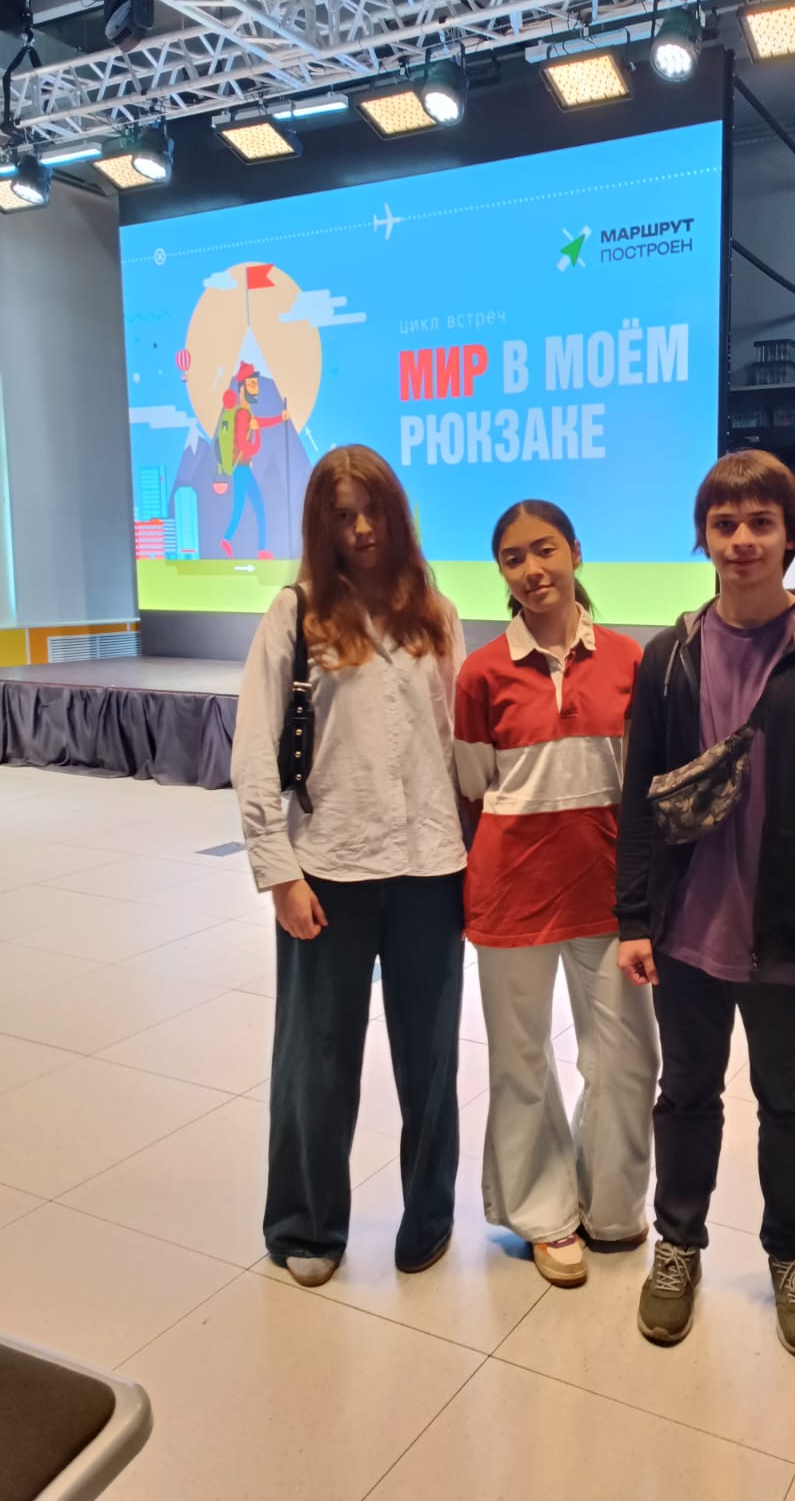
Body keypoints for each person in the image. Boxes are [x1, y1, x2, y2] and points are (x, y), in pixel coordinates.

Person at [615, 450, 795, 1355]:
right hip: (686, 930)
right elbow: (639, 794)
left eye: (760, 523)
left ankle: (793, 1258)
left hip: (787, 937)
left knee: (790, 1101)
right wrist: (634, 918)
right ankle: (677, 1245)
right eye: (724, 523)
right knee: (686, 1093)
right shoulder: (668, 659)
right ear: (704, 537)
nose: (741, 540)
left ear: (790, 536)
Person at [231, 444, 467, 1288]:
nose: (361, 529)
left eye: (373, 511)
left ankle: (429, 1214)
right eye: (342, 516)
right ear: (321, 526)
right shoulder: (294, 613)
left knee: (430, 1060)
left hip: (431, 865)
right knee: (316, 1057)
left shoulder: (435, 614)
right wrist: (279, 873)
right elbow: (253, 753)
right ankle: (306, 1223)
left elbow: (458, 744)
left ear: (397, 515)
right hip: (328, 866)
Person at [454, 500, 658, 1287]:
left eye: (545, 550)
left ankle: (611, 1205)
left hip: (609, 896)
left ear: (575, 551)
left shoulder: (629, 661)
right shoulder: (480, 673)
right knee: (521, 1061)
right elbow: (472, 788)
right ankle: (544, 1216)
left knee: (628, 1058)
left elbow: (642, 788)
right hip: (510, 895)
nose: (532, 569)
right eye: (514, 558)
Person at [221, 361, 289, 560]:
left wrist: (280, 418)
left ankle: (256, 548)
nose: (256, 389)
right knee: (243, 507)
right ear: (242, 389)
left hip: (244, 469)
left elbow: (260, 422)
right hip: (241, 469)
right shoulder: (242, 415)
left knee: (255, 506)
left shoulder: (246, 413)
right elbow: (248, 447)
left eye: (256, 385)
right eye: (252, 385)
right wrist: (257, 434)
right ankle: (229, 540)